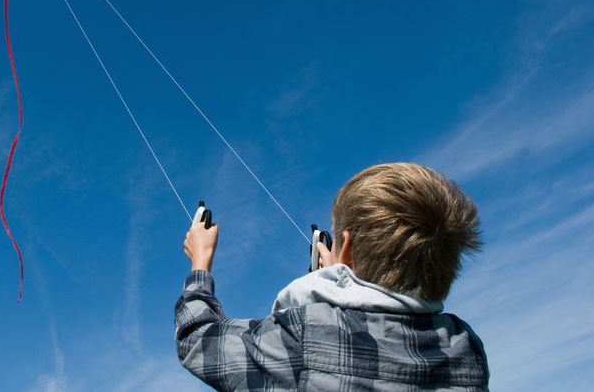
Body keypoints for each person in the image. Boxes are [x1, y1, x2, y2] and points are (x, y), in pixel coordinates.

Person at [175, 163, 489, 391]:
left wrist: (200, 261)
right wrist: (337, 277)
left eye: (337, 241)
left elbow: (198, 341)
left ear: (347, 249)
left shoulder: (303, 333)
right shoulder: (465, 347)